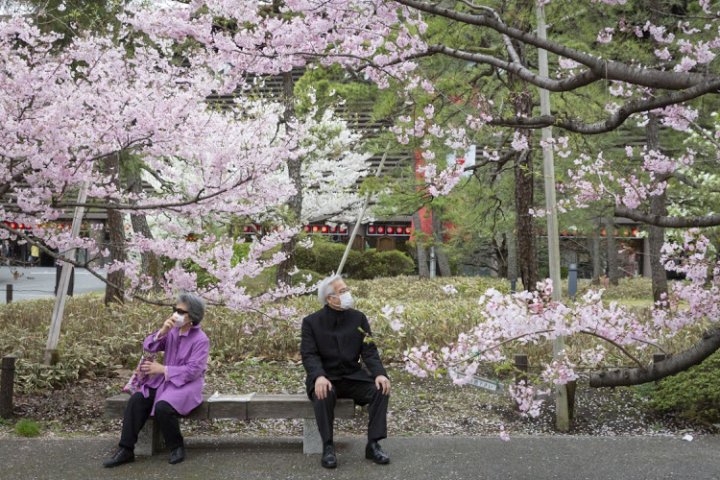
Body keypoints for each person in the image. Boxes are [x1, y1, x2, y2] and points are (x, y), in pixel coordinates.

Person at [103, 293, 210, 468]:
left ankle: (176, 446)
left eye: (181, 312)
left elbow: (194, 371)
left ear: (193, 316)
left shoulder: (201, 339)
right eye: (174, 310)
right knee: (137, 400)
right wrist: (162, 332)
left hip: (187, 385)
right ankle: (126, 449)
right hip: (164, 382)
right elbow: (148, 347)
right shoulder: (172, 331)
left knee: (163, 407)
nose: (176, 314)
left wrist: (163, 369)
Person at [301, 274, 391, 469]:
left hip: (352, 376)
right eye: (342, 292)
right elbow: (309, 354)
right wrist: (318, 376)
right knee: (323, 393)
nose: (347, 294)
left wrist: (379, 373)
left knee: (380, 389)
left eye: (346, 290)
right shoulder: (311, 322)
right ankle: (328, 446)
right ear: (329, 298)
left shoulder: (358, 318)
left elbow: (369, 350)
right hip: (325, 378)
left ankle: (373, 444)